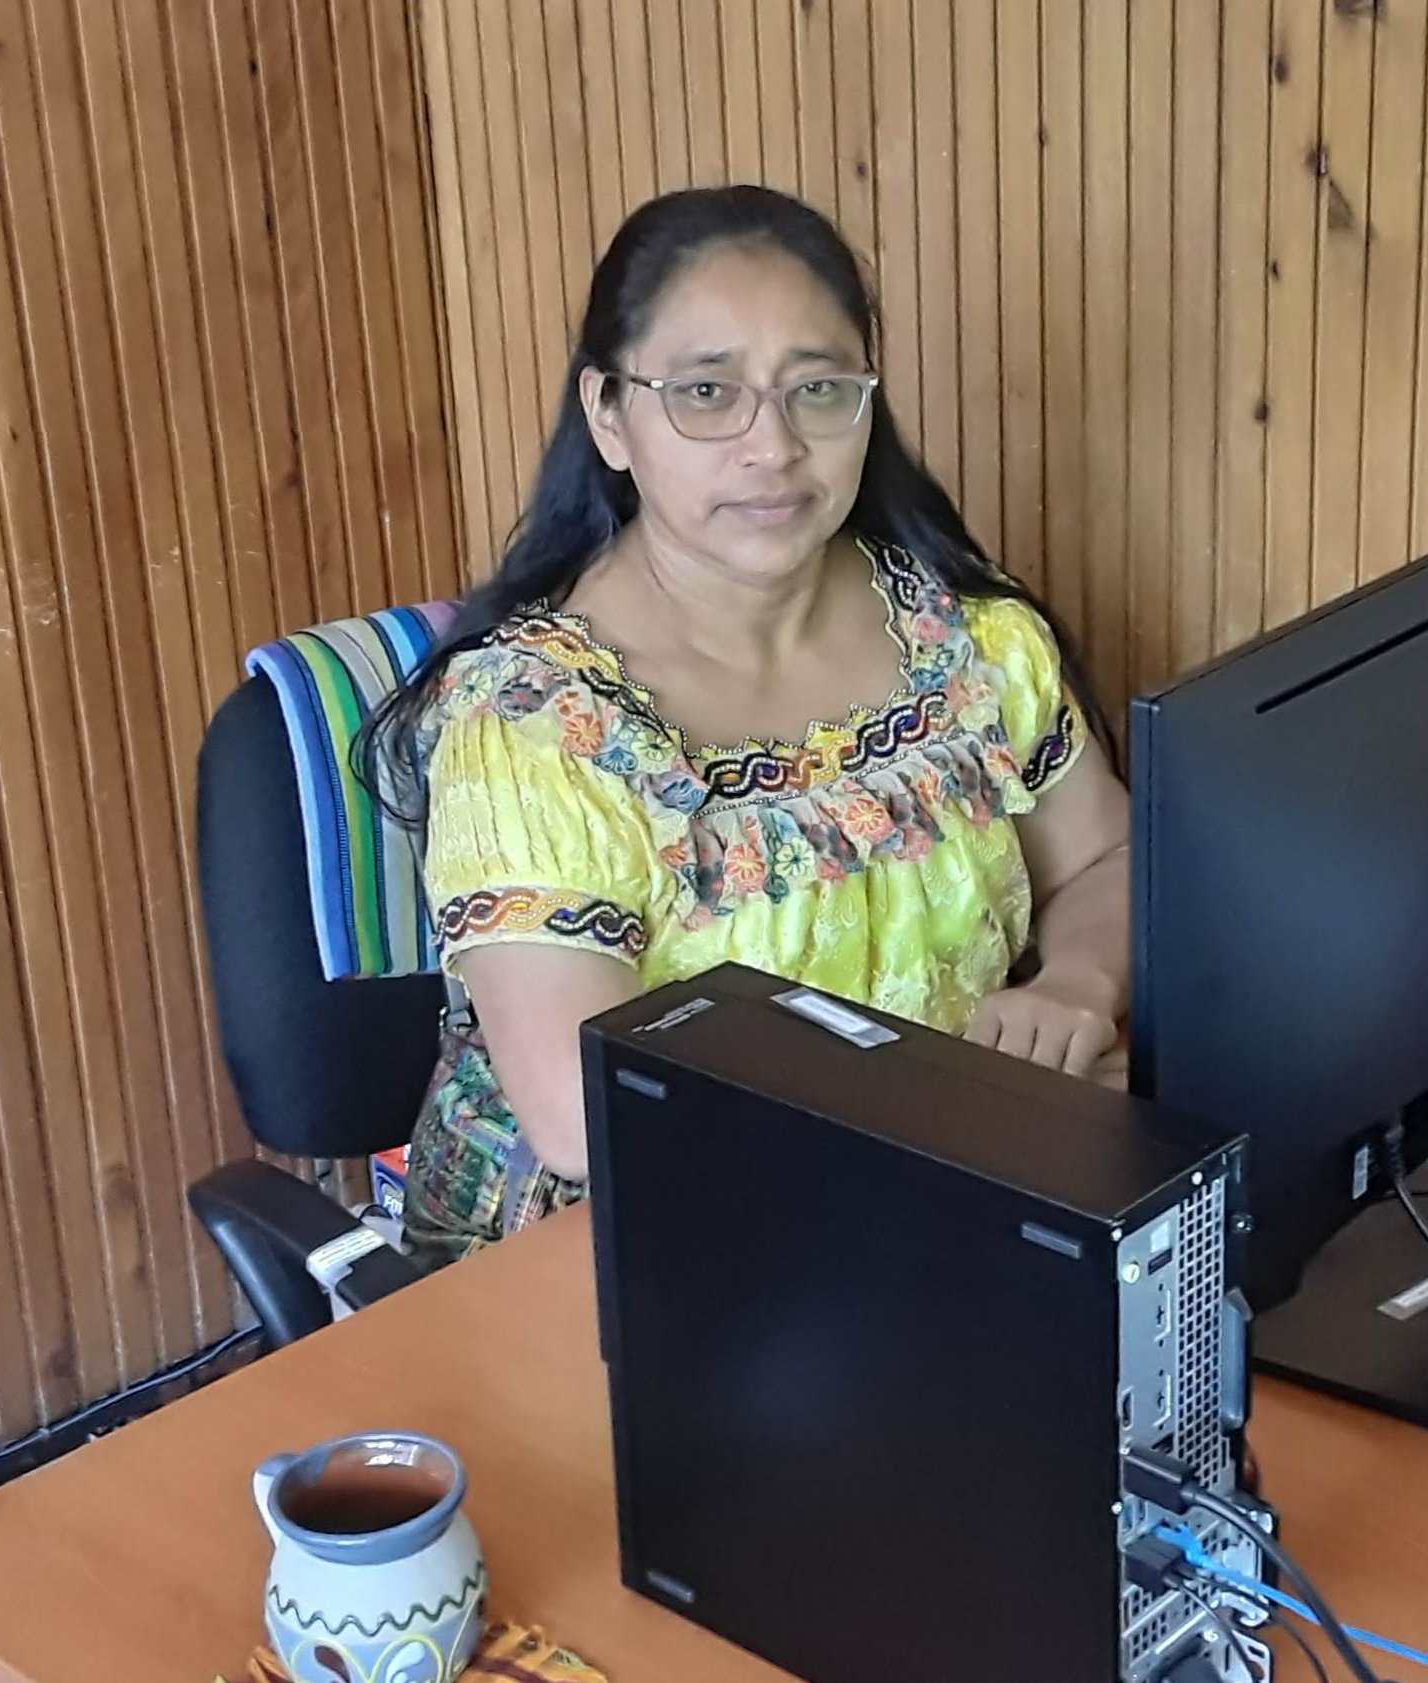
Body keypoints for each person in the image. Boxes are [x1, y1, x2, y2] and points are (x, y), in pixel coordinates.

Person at [362, 186, 1130, 1273]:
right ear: (609, 415)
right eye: (706, 392)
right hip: (618, 1253)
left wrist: (1075, 988)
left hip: (941, 1201)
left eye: (817, 390)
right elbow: (591, 1121)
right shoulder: (537, 723)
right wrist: (983, 1105)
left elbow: (1107, 857)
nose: (772, 447)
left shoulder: (967, 640)